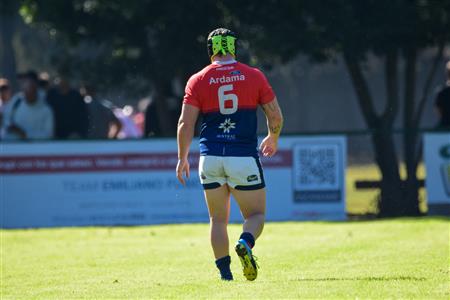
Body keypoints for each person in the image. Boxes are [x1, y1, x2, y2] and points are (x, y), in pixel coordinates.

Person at [176, 28, 283, 281]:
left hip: (210, 157)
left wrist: (182, 158)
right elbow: (275, 115)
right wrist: (273, 137)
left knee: (217, 219)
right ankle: (245, 243)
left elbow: (185, 123)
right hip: (243, 157)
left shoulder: (198, 79)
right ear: (234, 47)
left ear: (211, 49)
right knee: (255, 216)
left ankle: (225, 275)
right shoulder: (253, 76)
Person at [1, 71, 54, 140]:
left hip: (38, 149)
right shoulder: (16, 101)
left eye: (31, 87)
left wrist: (25, 134)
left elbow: (48, 135)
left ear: (36, 89)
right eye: (26, 88)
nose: (28, 92)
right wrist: (12, 127)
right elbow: (6, 121)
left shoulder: (46, 110)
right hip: (14, 147)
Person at [435, 61, 450, 130]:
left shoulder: (441, 93)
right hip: (444, 127)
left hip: (443, 127)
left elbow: (439, 111)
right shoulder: (442, 93)